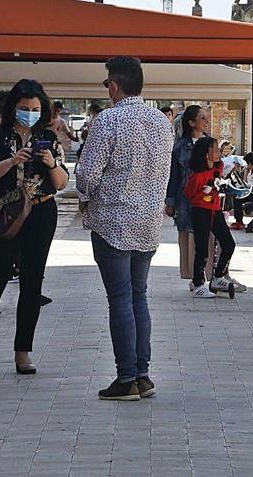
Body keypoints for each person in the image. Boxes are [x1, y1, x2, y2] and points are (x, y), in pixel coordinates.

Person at [77, 56, 174, 400]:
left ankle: (126, 377)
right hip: (148, 223)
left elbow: (87, 175)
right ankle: (142, 374)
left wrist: (85, 195)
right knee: (138, 296)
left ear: (114, 86)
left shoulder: (109, 119)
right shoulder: (162, 123)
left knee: (119, 298)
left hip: (113, 221)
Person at [0, 79, 68, 378]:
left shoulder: (47, 137)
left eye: (35, 109)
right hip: (5, 216)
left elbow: (60, 183)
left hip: (41, 211)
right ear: (13, 108)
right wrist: (11, 161)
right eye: (24, 108)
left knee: (32, 283)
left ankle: (23, 351)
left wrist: (50, 162)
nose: (30, 114)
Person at [184, 137, 238, 299]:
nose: (218, 153)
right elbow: (189, 193)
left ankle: (218, 276)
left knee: (228, 243)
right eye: (214, 149)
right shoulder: (197, 176)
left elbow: (220, 177)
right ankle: (198, 283)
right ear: (205, 154)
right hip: (201, 211)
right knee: (201, 248)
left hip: (215, 210)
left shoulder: (218, 167)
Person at [166, 105, 208, 283]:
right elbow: (173, 176)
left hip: (207, 199)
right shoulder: (180, 147)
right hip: (186, 201)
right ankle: (194, 277)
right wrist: (170, 202)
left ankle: (212, 275)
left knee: (208, 237)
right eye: (202, 118)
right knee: (188, 236)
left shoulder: (209, 143)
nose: (206, 122)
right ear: (192, 123)